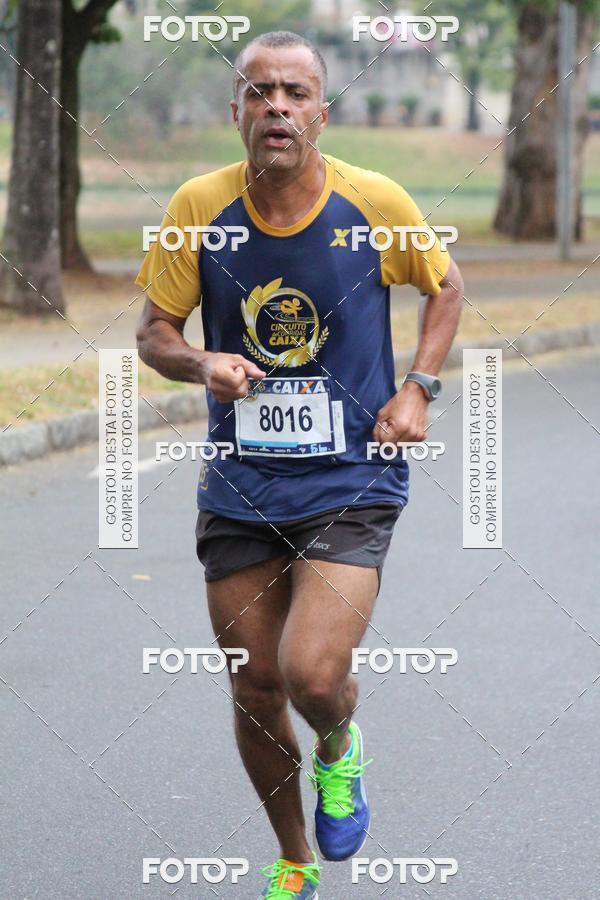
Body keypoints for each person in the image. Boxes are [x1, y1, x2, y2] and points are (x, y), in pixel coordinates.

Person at [135, 30, 463, 899]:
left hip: (351, 477)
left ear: (322, 110)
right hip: (240, 484)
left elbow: (446, 287)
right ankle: (293, 859)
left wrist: (418, 388)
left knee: (315, 674)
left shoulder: (373, 202)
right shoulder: (199, 207)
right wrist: (202, 362)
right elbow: (153, 334)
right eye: (259, 92)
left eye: (294, 93)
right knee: (255, 687)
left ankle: (340, 745)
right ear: (236, 108)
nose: (276, 106)